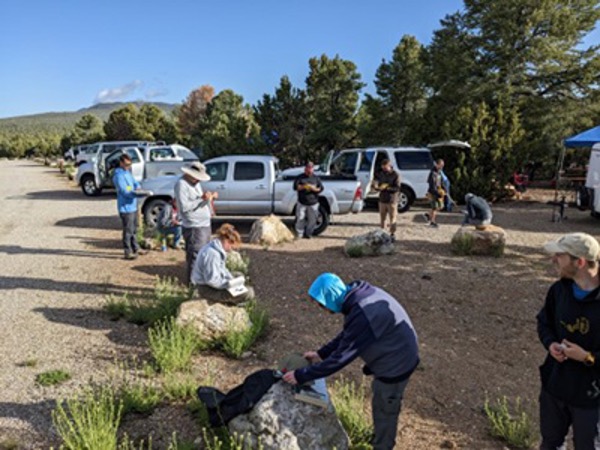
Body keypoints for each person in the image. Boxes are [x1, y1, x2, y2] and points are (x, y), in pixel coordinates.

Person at [282, 273, 419, 450]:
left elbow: (341, 358)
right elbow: (349, 334)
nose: (322, 308)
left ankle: (382, 445)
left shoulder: (363, 314)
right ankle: (380, 437)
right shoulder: (358, 297)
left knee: (385, 406)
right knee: (381, 404)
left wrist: (302, 375)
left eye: (322, 304)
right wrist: (321, 354)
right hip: (396, 351)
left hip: (396, 364)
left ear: (330, 297)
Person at [537, 233, 600, 449]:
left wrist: (587, 357)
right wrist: (550, 343)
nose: (554, 259)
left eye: (560, 256)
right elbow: (544, 322)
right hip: (556, 386)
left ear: (580, 262)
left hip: (592, 397)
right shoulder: (559, 290)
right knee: (550, 443)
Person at [174, 162, 217, 284]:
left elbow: (198, 200)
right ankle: (193, 285)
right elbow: (184, 207)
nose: (198, 180)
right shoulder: (181, 185)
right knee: (195, 256)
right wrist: (202, 199)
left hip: (203, 224)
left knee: (203, 254)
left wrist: (209, 199)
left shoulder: (195, 183)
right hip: (194, 226)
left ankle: (199, 282)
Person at [190, 223, 254, 303]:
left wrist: (231, 279)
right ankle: (230, 302)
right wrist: (229, 284)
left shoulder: (216, 248)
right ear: (227, 241)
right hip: (206, 288)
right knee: (249, 293)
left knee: (238, 275)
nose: (231, 250)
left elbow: (222, 270)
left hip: (212, 283)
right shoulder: (212, 254)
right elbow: (211, 280)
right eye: (231, 246)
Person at [113, 154, 143, 260]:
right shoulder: (118, 175)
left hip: (133, 206)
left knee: (134, 229)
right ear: (121, 163)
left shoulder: (128, 173)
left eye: (130, 164)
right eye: (126, 164)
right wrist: (135, 193)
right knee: (128, 230)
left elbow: (134, 183)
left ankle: (136, 248)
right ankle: (127, 251)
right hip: (125, 207)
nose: (128, 166)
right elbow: (124, 191)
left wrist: (138, 187)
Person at [293, 162, 324, 239]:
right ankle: (299, 234)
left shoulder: (316, 178)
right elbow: (295, 187)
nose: (309, 170)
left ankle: (308, 234)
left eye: (310, 168)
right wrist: (304, 186)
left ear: (313, 169)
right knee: (300, 218)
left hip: (313, 203)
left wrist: (313, 188)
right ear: (305, 169)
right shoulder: (300, 177)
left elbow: (320, 189)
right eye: (308, 168)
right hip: (302, 202)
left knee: (312, 220)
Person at [373, 159, 401, 242]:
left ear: (389, 166)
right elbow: (377, 181)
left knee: (392, 218)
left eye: (385, 168)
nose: (384, 169)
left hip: (392, 200)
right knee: (382, 218)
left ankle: (392, 234)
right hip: (382, 199)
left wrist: (387, 188)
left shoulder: (395, 175)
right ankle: (383, 233)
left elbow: (398, 188)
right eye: (383, 168)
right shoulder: (381, 173)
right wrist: (376, 186)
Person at [423, 159, 445, 228]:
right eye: (441, 165)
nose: (442, 167)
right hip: (433, 192)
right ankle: (432, 222)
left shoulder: (439, 172)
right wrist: (436, 193)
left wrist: (443, 188)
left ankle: (428, 215)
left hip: (438, 191)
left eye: (442, 166)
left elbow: (440, 182)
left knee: (440, 206)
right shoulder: (432, 173)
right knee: (434, 207)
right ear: (437, 164)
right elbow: (432, 185)